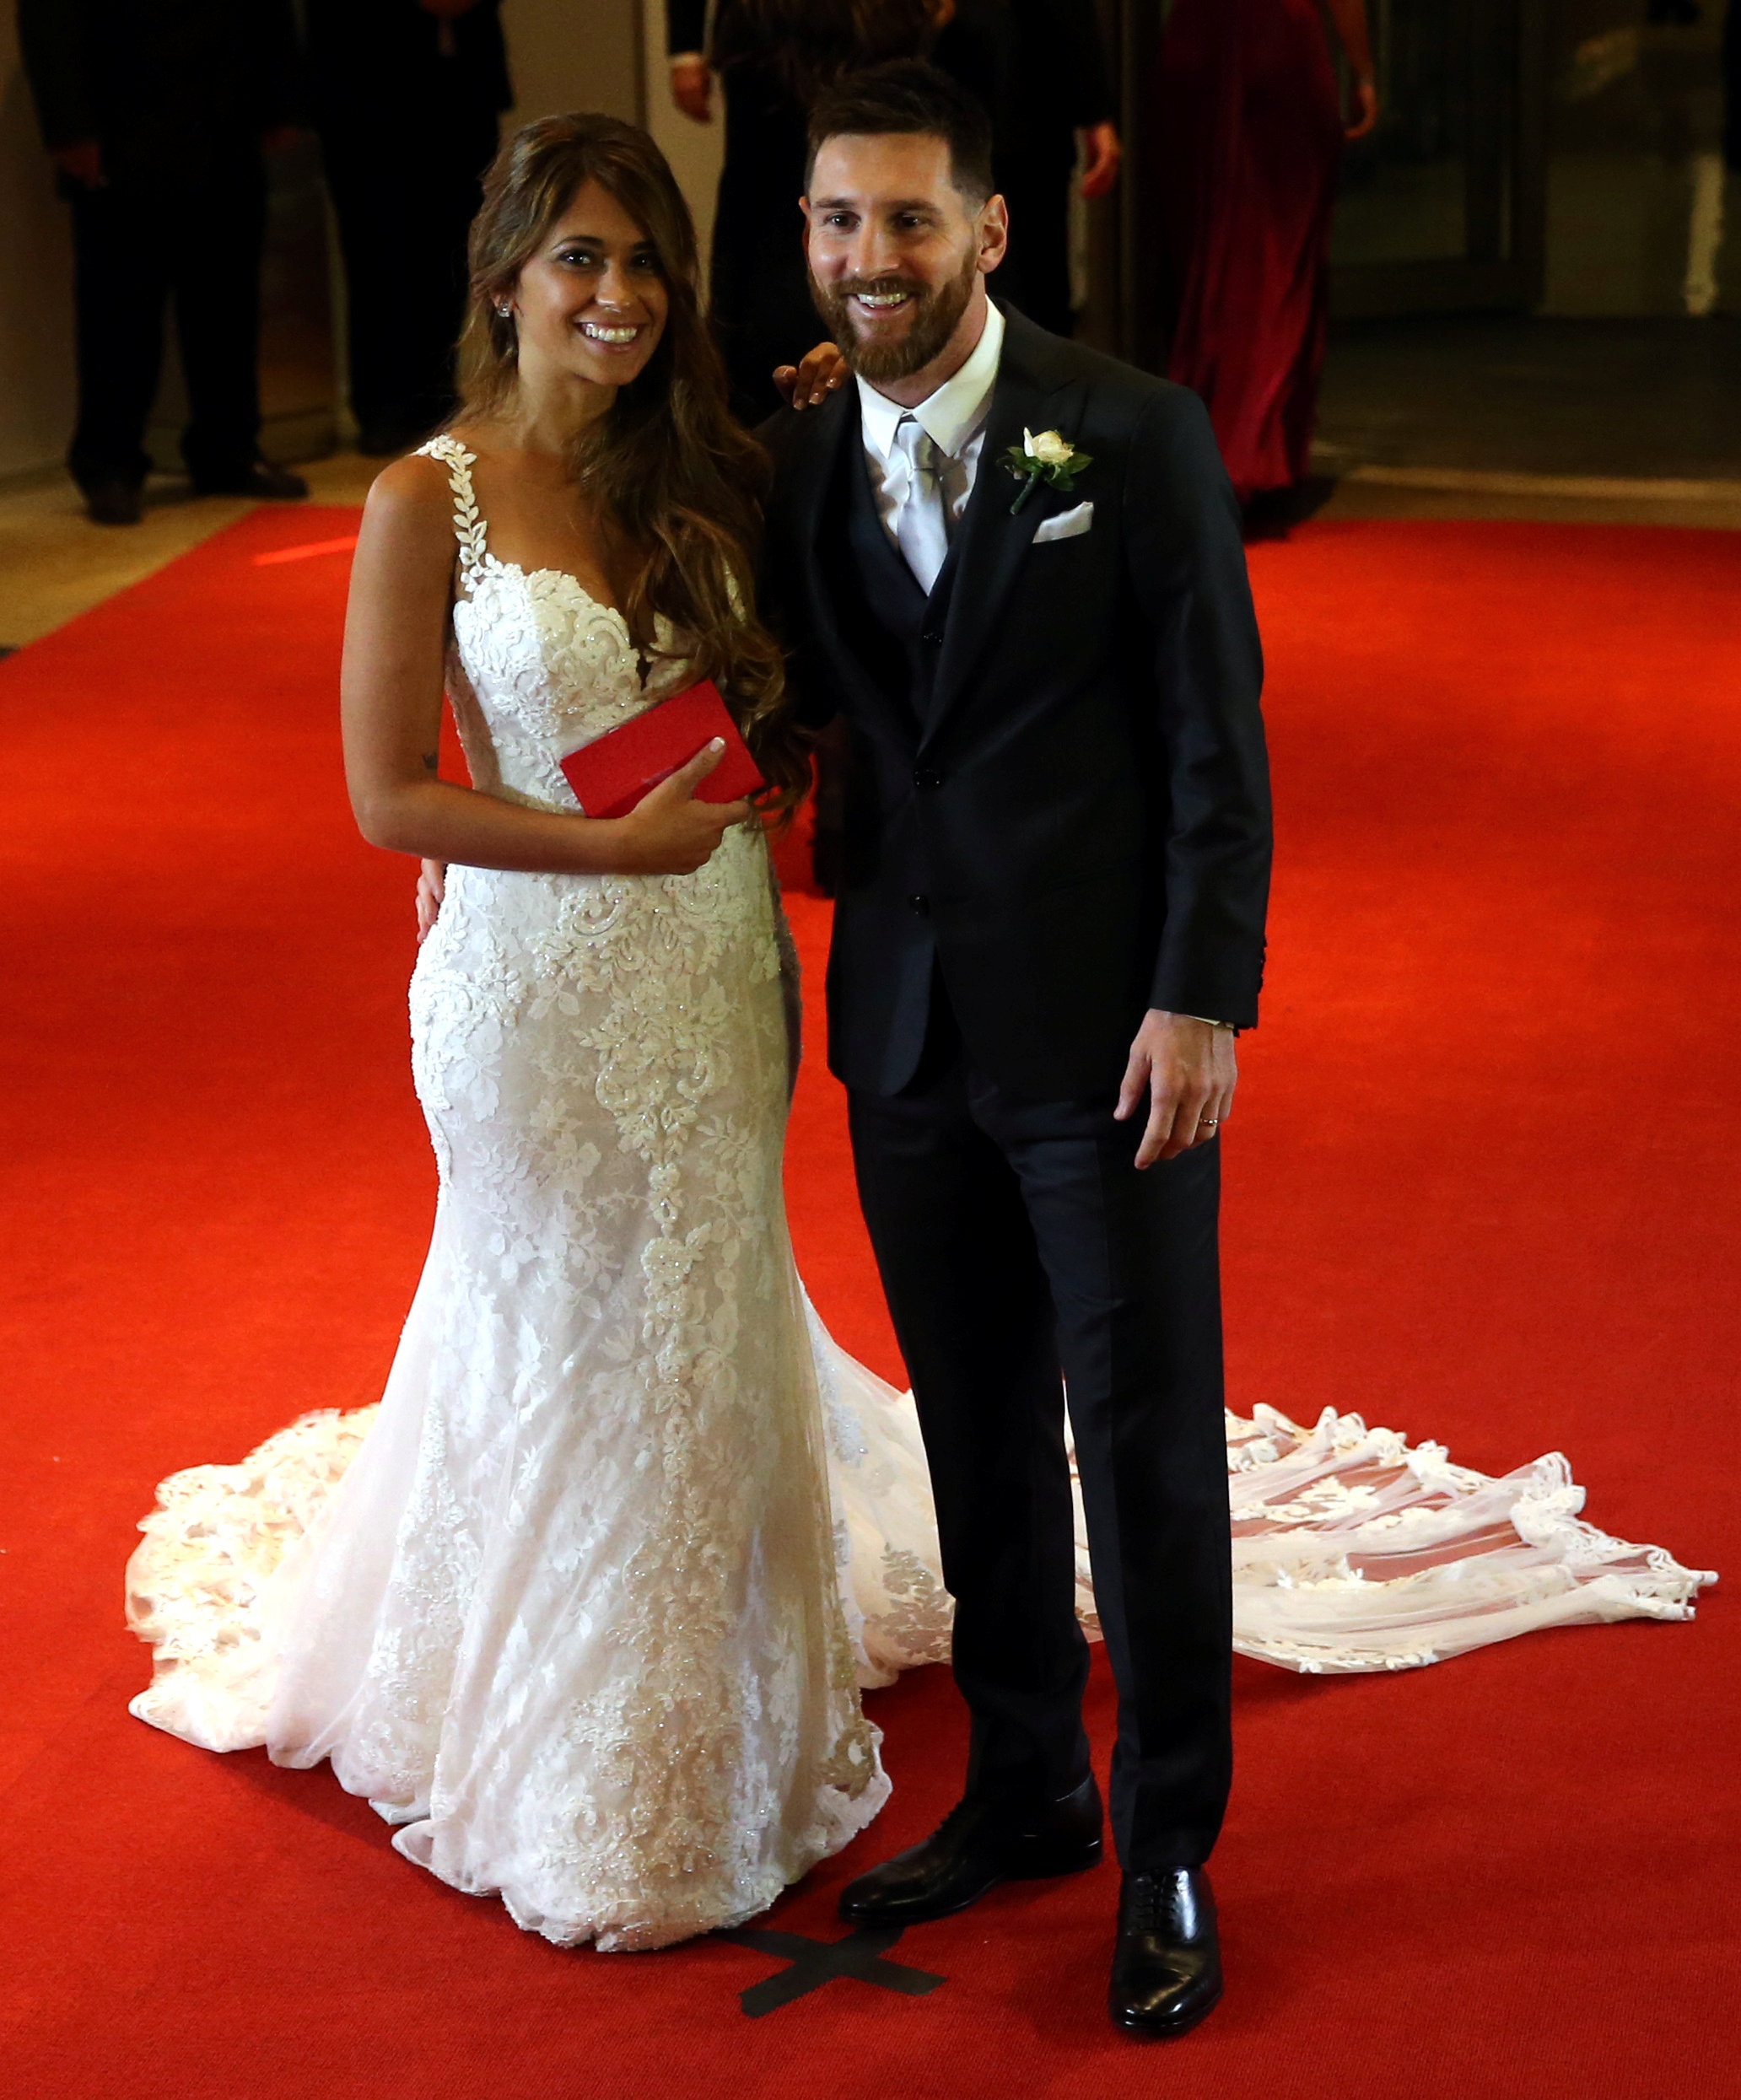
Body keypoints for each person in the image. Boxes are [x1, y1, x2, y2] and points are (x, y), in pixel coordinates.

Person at [125, 112, 887, 1951]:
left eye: (643, 266)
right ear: (507, 280)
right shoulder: (426, 499)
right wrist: (592, 845)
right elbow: (388, 795)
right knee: (561, 1315)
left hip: (708, 959)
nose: (615, 297)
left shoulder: (703, 468)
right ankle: (559, 1736)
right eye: (582, 260)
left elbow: (782, 676)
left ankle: (704, 1709)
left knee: (697, 1309)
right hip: (531, 984)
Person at [755, 59, 1269, 2038]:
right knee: (971, 1430)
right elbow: (782, 700)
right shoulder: (801, 453)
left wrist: (1199, 989)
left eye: (902, 220)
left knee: (1137, 1441)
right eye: (830, 219)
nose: (865, 258)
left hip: (1104, 1038)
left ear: (987, 228)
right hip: (901, 1033)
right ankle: (1028, 1783)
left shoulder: (1123, 436)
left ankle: (1163, 1843)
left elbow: (1214, 737)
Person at [17, 0, 310, 526]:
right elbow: (50, 18)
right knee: (119, 310)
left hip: (225, 118)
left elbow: (268, 11)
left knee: (228, 303)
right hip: (122, 123)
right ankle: (109, 462)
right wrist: (70, 128)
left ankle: (228, 449)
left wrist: (281, 102)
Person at [1150, 0, 1378, 514]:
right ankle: (1249, 448)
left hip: (1196, 39)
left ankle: (1196, 446)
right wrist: (1363, 69)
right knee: (1276, 258)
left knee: (1206, 255)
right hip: (1280, 42)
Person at [667, 0, 940, 422]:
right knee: (762, 196)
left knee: (870, 181)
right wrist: (684, 49)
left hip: (873, 25)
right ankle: (751, 397)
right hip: (766, 27)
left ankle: (868, 378)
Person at [307, 0, 513, 456]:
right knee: (378, 253)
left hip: (462, 85)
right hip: (365, 84)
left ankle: (436, 396)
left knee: (454, 250)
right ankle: (384, 404)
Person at [932, 0, 1121, 337]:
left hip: (1003, 99)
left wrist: (1094, 107)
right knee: (1027, 279)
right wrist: (1095, 110)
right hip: (1007, 100)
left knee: (1020, 273)